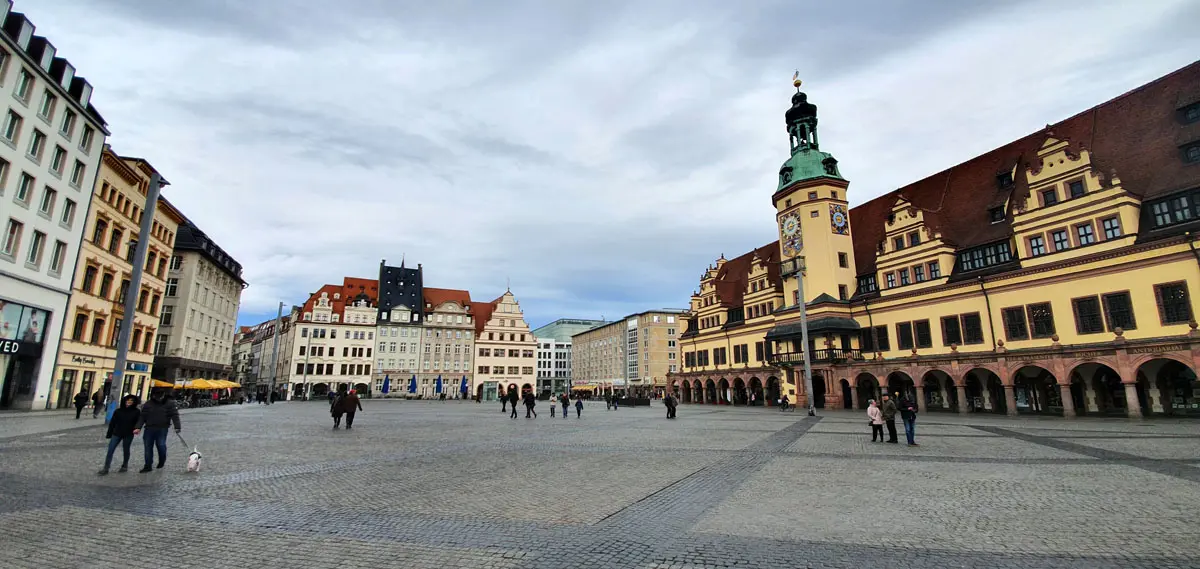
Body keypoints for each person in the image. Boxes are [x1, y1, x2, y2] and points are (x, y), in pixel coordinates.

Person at [135, 388, 181, 472]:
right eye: (156, 395)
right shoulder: (148, 404)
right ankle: (148, 465)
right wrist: (138, 427)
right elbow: (142, 416)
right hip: (149, 428)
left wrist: (177, 426)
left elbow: (175, 415)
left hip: (162, 428)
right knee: (148, 447)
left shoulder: (169, 403)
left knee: (161, 445)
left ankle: (162, 459)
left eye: (160, 394)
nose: (158, 397)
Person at [99, 395, 141, 475]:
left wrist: (137, 428)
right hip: (117, 433)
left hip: (128, 433)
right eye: (128, 400)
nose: (129, 402)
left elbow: (138, 422)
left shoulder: (136, 411)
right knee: (110, 450)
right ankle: (106, 468)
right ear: (124, 401)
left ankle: (124, 465)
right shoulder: (118, 411)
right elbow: (112, 423)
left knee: (126, 449)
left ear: (134, 402)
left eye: (131, 400)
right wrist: (109, 434)